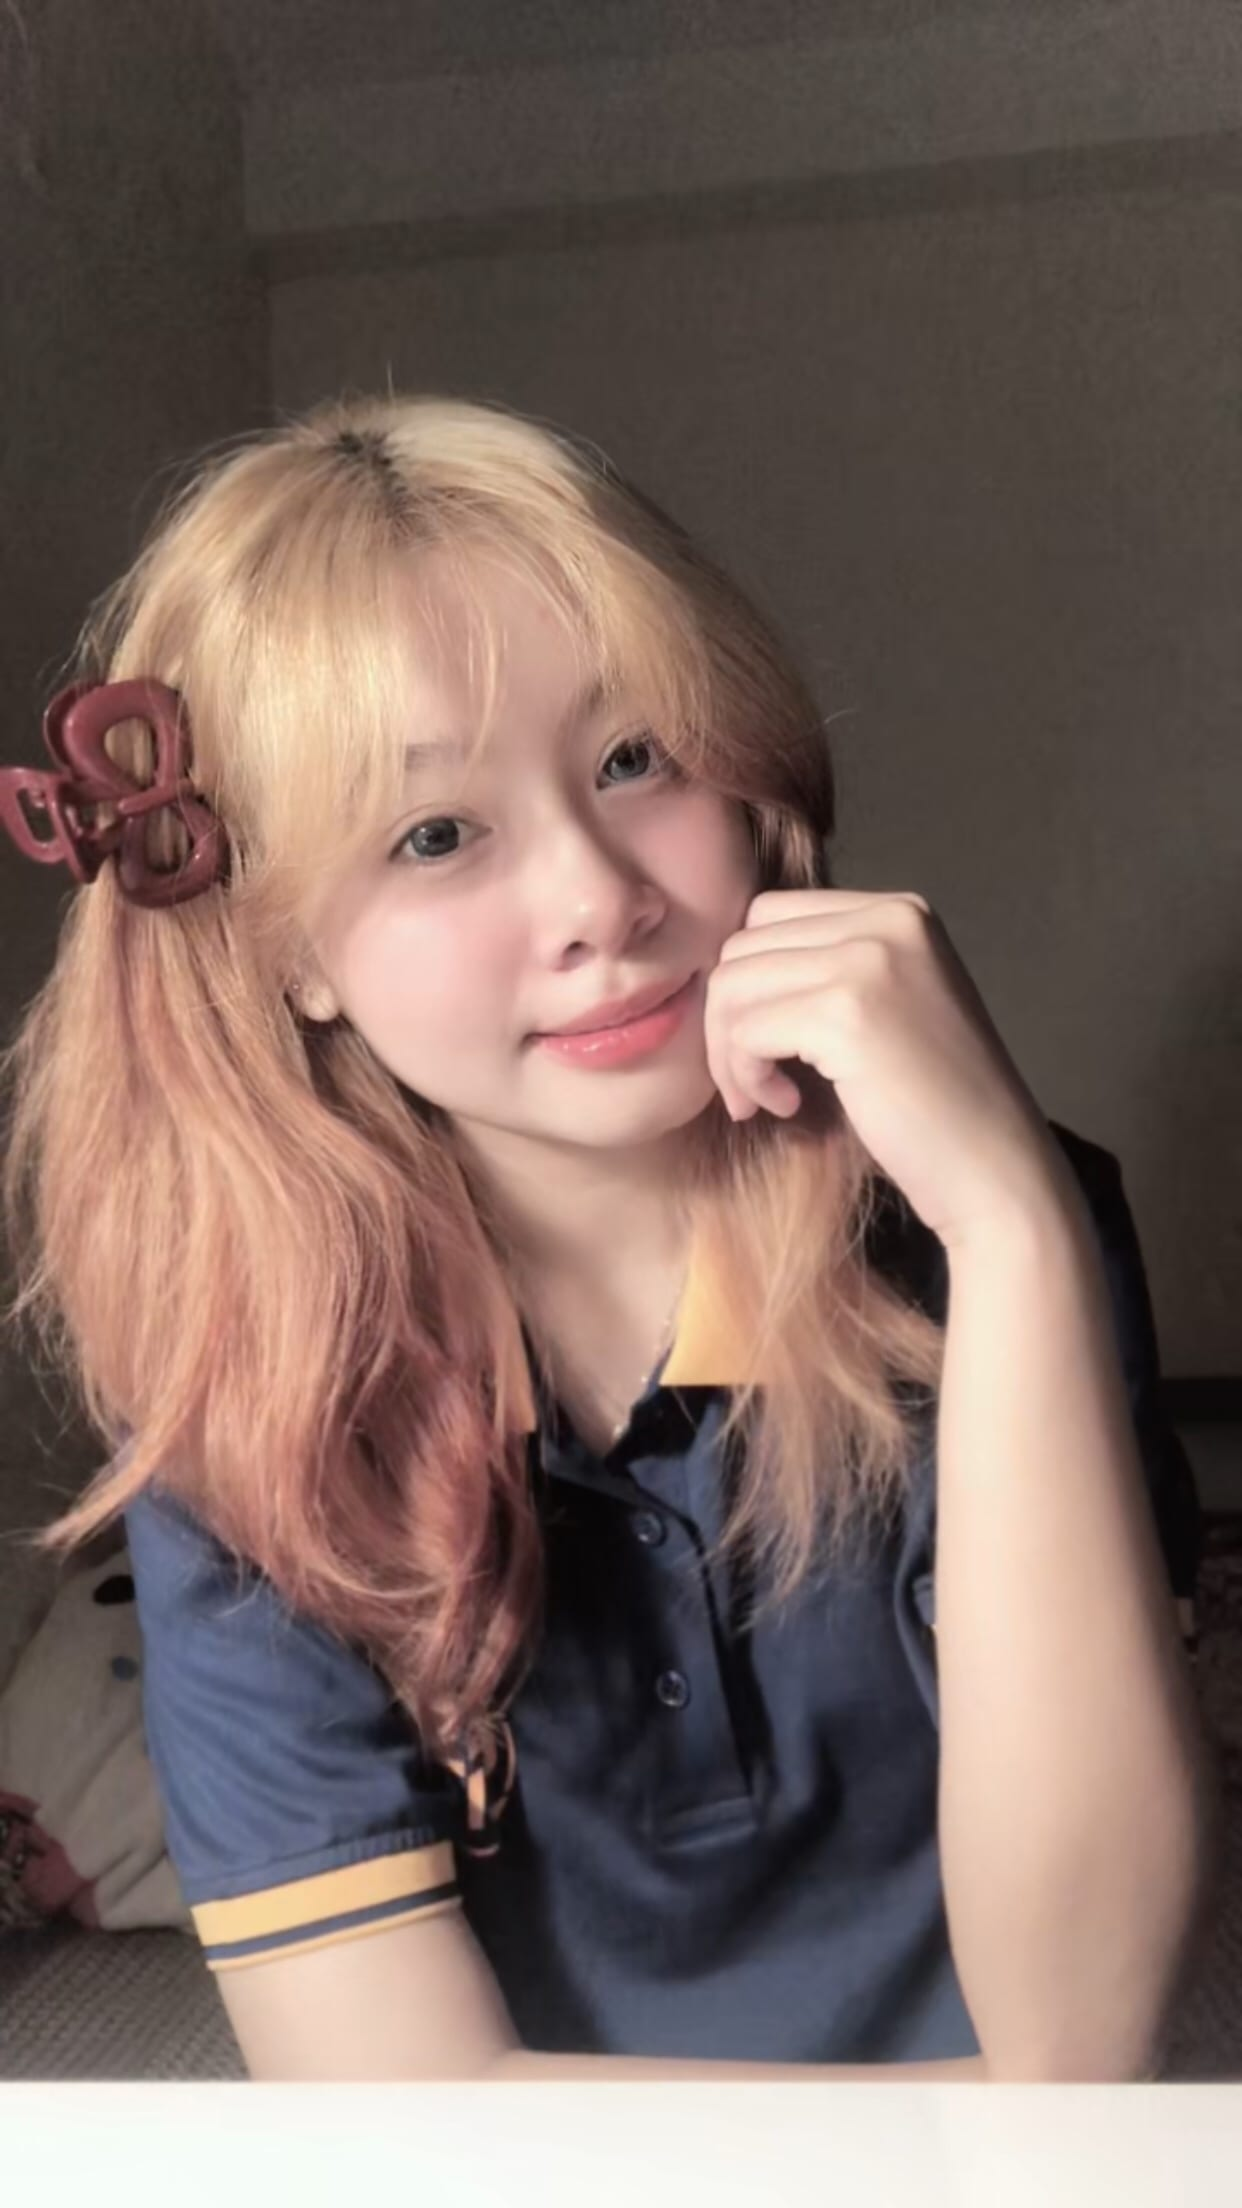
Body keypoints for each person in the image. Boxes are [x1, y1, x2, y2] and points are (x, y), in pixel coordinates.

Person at [0, 393, 1217, 2084]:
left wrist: (1011, 1226)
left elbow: (1081, 2042)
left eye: (634, 757)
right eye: (434, 834)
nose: (599, 900)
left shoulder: (996, 1229)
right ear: (290, 956)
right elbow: (397, 2111)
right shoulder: (254, 1374)